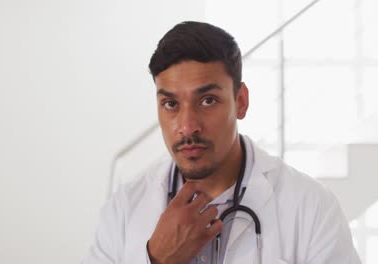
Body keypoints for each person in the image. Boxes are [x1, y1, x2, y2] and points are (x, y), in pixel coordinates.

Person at [82, 21, 361, 264]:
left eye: (208, 100)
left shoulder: (311, 208)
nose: (188, 126)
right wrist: (156, 259)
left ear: (241, 102)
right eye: (170, 103)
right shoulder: (124, 209)